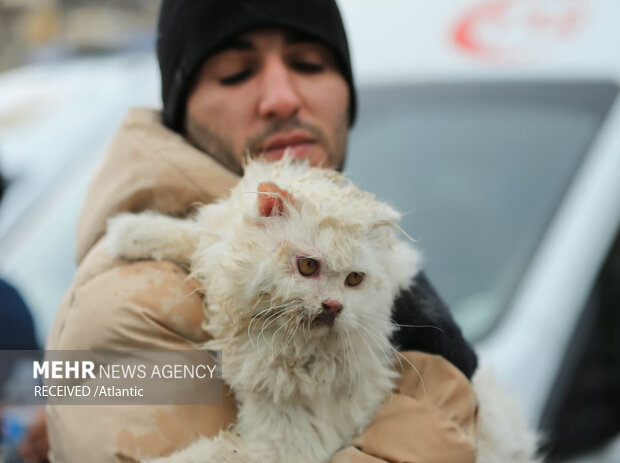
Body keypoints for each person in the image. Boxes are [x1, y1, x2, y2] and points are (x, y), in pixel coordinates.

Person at [46, 1, 479, 462]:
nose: (281, 97)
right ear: (181, 105)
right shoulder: (124, 305)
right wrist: (439, 401)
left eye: (309, 64)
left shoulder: (347, 229)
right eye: (235, 72)